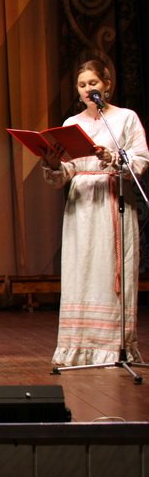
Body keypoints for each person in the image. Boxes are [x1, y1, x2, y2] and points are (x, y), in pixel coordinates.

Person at [42, 59, 149, 366]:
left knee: (110, 272)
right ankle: (79, 347)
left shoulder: (125, 118)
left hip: (112, 202)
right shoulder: (71, 124)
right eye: (82, 85)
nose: (88, 89)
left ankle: (113, 347)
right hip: (81, 207)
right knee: (81, 272)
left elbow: (140, 162)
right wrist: (53, 164)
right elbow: (63, 175)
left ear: (107, 85)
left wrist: (112, 156)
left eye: (93, 83)